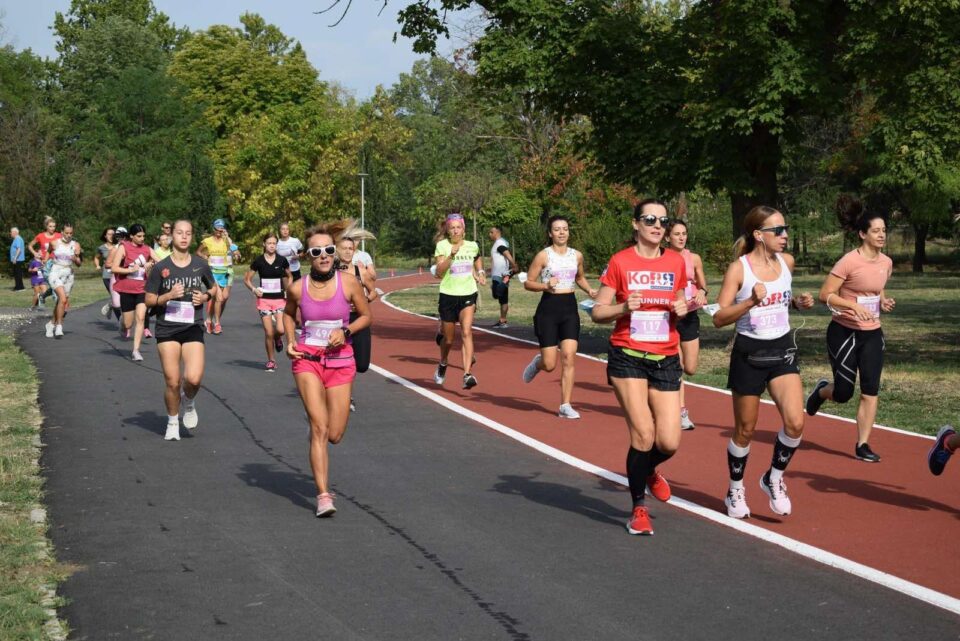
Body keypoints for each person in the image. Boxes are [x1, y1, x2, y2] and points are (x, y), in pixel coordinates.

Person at [591, 199, 688, 536]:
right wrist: (621, 307)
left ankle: (647, 471)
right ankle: (638, 510)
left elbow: (680, 303)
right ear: (636, 224)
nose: (657, 225)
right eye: (650, 219)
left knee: (670, 441)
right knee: (643, 434)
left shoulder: (676, 262)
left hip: (665, 356)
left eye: (663, 220)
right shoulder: (620, 261)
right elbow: (596, 312)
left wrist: (683, 306)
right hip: (627, 355)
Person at [712, 206, 815, 519]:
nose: (785, 236)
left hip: (782, 350)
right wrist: (750, 301)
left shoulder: (787, 263)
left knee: (796, 423)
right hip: (749, 354)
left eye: (785, 229)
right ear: (759, 235)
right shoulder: (739, 269)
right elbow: (718, 317)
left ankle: (773, 477)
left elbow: (781, 301)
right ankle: (735, 489)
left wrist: (797, 303)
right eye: (777, 231)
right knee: (745, 430)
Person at [283, 220, 372, 517]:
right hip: (307, 360)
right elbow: (287, 314)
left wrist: (346, 333)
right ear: (308, 255)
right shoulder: (297, 288)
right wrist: (289, 339)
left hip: (341, 361)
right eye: (317, 250)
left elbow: (365, 316)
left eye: (328, 250)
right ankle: (323, 495)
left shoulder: (348, 283)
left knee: (334, 434)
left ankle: (318, 432)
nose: (323, 255)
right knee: (319, 428)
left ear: (334, 253)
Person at [805, 196, 895, 463]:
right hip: (844, 332)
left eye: (884, 231)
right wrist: (852, 306)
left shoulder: (886, 262)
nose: (881, 235)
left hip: (872, 333)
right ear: (862, 234)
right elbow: (825, 294)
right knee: (844, 393)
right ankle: (823, 391)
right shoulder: (848, 261)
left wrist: (882, 300)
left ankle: (863, 444)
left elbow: (876, 288)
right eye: (876, 231)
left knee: (870, 390)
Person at [145, 220, 218, 441]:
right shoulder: (160, 267)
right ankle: (172, 421)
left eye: (188, 233)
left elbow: (215, 289)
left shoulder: (200, 264)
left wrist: (205, 296)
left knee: (193, 379)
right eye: (179, 233)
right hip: (167, 328)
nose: (184, 237)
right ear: (171, 237)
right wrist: (167, 296)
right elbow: (149, 299)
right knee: (172, 381)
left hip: (192, 326)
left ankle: (189, 401)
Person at [521, 215, 597, 419]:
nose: (561, 232)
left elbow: (579, 277)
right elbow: (528, 282)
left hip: (569, 309)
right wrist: (545, 285)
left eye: (565, 228)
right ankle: (539, 363)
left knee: (569, 356)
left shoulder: (576, 255)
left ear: (569, 231)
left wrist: (590, 290)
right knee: (550, 364)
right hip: (548, 309)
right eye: (557, 229)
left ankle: (565, 405)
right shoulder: (543, 256)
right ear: (550, 233)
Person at [665, 220, 709, 430]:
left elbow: (703, 284)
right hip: (671, 317)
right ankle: (680, 411)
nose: (681, 237)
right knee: (677, 366)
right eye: (676, 234)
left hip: (690, 315)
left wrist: (702, 292)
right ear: (667, 237)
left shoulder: (695, 258)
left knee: (690, 368)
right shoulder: (662, 258)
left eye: (684, 233)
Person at [433, 213, 484, 389]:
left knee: (467, 332)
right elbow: (439, 272)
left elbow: (477, 259)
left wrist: (481, 273)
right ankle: (443, 362)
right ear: (448, 230)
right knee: (448, 339)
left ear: (464, 229)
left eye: (458, 227)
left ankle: (467, 374)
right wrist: (451, 256)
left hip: (468, 293)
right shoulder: (442, 246)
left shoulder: (472, 246)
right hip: (448, 294)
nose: (455, 230)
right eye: (452, 227)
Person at [337, 234, 379, 410]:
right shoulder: (332, 272)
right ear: (337, 250)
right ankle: (346, 396)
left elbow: (374, 291)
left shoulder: (359, 271)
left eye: (350, 249)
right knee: (343, 360)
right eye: (344, 248)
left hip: (359, 318)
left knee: (361, 364)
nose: (347, 251)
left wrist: (364, 300)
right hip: (338, 320)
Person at [244, 232, 291, 371]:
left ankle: (278, 339)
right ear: (264, 244)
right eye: (269, 243)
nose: (272, 246)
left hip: (279, 300)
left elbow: (290, 276)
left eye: (274, 244)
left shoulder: (282, 260)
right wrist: (254, 290)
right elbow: (247, 279)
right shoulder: (258, 261)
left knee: (281, 330)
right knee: (268, 332)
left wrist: (288, 289)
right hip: (264, 300)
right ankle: (271, 360)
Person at [111, 223, 154, 361]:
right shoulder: (124, 247)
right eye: (139, 236)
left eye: (143, 236)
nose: (142, 238)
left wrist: (151, 265)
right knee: (128, 324)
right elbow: (114, 268)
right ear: (131, 236)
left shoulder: (147, 249)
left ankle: (136, 350)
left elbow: (161, 262)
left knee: (141, 318)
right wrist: (130, 270)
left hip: (142, 289)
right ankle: (122, 324)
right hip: (127, 289)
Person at [197, 219, 241, 334]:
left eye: (221, 229)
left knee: (221, 298)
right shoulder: (207, 241)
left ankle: (209, 320)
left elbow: (236, 253)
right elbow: (198, 252)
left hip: (224, 272)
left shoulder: (226, 240)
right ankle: (217, 324)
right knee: (219, 298)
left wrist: (229, 240)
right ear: (213, 229)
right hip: (212, 273)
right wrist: (204, 257)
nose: (219, 232)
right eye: (217, 229)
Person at [44, 223, 82, 338]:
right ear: (62, 232)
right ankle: (59, 326)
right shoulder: (55, 243)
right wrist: (44, 261)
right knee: (63, 298)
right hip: (55, 272)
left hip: (68, 274)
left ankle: (51, 324)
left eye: (71, 233)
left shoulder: (75, 245)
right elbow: (48, 251)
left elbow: (79, 264)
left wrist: (75, 258)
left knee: (62, 302)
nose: (69, 235)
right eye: (66, 233)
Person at [488, 225, 519, 329]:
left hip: (500, 274)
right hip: (500, 273)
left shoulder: (499, 243)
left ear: (497, 232)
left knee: (497, 294)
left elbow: (506, 253)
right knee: (502, 299)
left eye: (491, 232)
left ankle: (505, 281)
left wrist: (514, 265)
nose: (490, 234)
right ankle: (503, 321)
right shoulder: (501, 242)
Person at [28, 217, 60, 307]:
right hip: (45, 263)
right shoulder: (40, 236)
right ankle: (57, 301)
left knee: (55, 283)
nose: (52, 228)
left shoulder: (58, 236)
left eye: (54, 226)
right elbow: (30, 245)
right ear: (46, 226)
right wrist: (35, 253)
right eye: (50, 226)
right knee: (52, 283)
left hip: (56, 263)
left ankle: (43, 296)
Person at [95, 227, 120, 320]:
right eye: (109, 234)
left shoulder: (119, 246)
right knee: (115, 297)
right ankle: (120, 320)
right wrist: (97, 265)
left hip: (118, 274)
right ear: (105, 236)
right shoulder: (101, 248)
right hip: (107, 275)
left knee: (119, 297)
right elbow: (97, 257)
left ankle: (110, 306)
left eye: (113, 234)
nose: (111, 236)